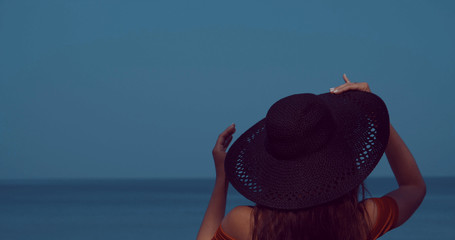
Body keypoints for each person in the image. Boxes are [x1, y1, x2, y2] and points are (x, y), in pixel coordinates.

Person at [196, 74, 426, 240]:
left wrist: (222, 179)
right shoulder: (360, 223)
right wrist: (375, 114)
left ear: (273, 167)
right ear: (338, 160)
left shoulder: (247, 224)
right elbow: (413, 187)